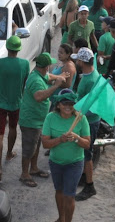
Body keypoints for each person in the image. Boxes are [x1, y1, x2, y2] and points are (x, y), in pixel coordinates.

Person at [18, 53, 69, 188]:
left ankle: (33, 168)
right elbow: (39, 97)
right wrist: (56, 85)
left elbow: (49, 76)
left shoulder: (40, 74)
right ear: (46, 67)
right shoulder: (36, 80)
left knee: (36, 145)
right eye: (49, 66)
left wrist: (59, 77)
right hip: (30, 121)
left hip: (38, 119)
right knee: (29, 148)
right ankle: (24, 174)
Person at [42, 89, 91, 222]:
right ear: (58, 105)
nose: (68, 106)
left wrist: (76, 138)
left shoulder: (81, 118)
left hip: (75, 163)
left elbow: (87, 144)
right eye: (65, 103)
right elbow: (45, 144)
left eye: (71, 103)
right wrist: (60, 139)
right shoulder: (50, 118)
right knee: (59, 191)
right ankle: (61, 218)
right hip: (55, 162)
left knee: (69, 196)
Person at [0, 35, 30, 184]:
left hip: (0, 103)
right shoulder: (25, 64)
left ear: (7, 47)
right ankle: (9, 153)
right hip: (16, 102)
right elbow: (25, 82)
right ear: (19, 49)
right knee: (13, 128)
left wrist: (1, 80)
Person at [71, 47, 100, 201]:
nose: (76, 61)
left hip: (89, 121)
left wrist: (77, 113)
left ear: (82, 61)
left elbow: (92, 105)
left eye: (77, 59)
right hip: (86, 119)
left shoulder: (91, 80)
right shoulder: (89, 75)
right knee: (84, 153)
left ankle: (90, 186)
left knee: (87, 154)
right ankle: (84, 177)